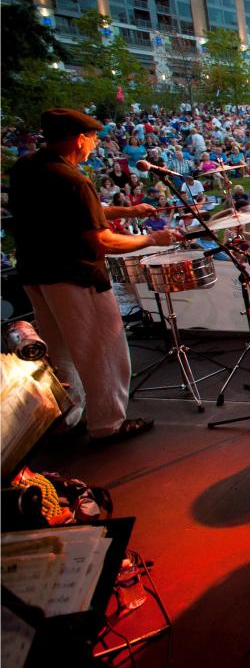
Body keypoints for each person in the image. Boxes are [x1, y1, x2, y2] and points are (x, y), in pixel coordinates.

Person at [8, 109, 175, 442]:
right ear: (78, 138)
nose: (95, 144)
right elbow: (102, 241)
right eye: (93, 138)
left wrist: (127, 210)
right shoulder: (74, 180)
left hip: (36, 274)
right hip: (75, 276)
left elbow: (70, 213)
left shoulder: (27, 168)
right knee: (103, 350)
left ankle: (69, 418)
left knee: (62, 351)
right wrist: (152, 239)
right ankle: (108, 425)